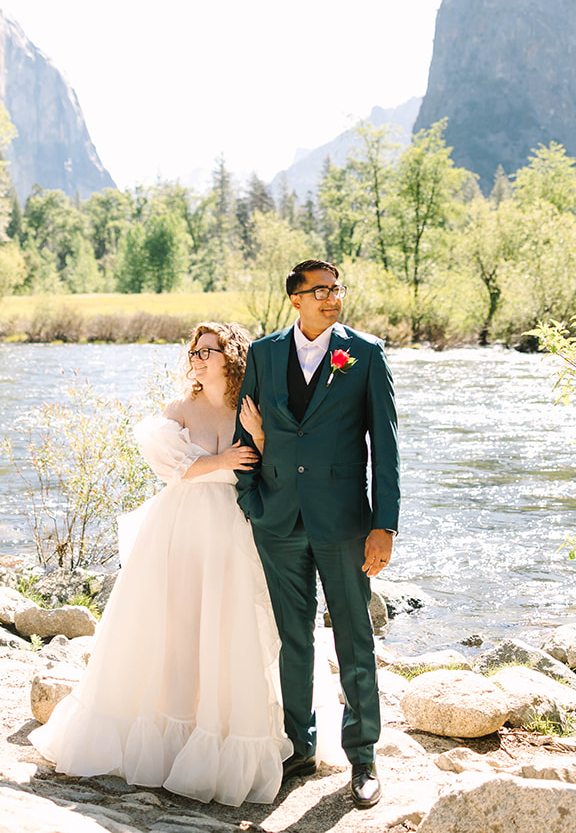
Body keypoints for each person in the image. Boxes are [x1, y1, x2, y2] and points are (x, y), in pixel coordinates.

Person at [28, 322, 293, 806]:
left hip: (231, 530)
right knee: (176, 627)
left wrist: (257, 436)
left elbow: (274, 471)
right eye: (195, 350)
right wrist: (223, 459)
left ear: (231, 357)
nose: (198, 357)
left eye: (209, 350)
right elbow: (173, 468)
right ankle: (164, 745)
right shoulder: (178, 410)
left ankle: (214, 737)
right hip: (179, 528)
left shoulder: (249, 410)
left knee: (226, 629)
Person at [234, 258, 399, 809]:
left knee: (355, 636)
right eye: (320, 290)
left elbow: (387, 449)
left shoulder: (366, 354)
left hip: (346, 523)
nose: (332, 297)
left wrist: (384, 525)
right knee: (293, 637)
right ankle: (299, 747)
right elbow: (246, 434)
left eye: (336, 288)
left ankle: (364, 758)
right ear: (295, 299)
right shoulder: (263, 354)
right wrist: (250, 500)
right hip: (277, 520)